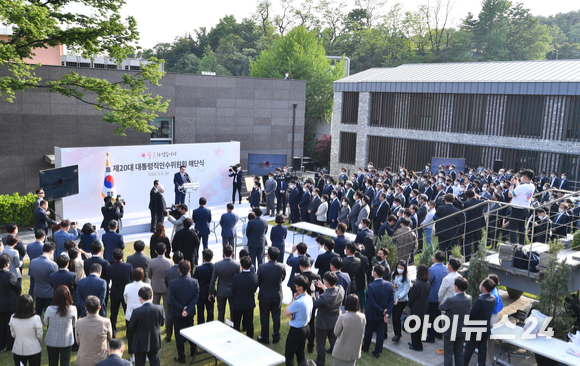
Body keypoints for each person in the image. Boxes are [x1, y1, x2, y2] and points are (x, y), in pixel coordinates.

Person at [169, 261, 200, 364]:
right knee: (191, 332)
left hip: (177, 312)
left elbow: (172, 299)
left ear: (179, 270)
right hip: (189, 312)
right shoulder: (194, 282)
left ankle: (182, 357)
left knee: (179, 334)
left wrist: (182, 309)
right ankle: (193, 351)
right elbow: (195, 298)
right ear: (190, 269)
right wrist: (187, 309)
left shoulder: (173, 283)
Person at [312, 271, 345, 366]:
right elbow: (331, 293)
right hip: (334, 321)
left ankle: (320, 362)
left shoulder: (324, 297)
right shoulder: (340, 289)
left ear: (326, 282)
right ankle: (337, 357)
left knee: (320, 344)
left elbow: (314, 304)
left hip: (322, 324)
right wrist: (323, 286)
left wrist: (313, 292)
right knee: (333, 340)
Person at [362, 265, 394, 359]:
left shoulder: (371, 286)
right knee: (380, 332)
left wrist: (382, 311)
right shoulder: (389, 285)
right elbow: (391, 300)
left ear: (375, 273)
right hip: (382, 314)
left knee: (368, 331)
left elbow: (372, 302)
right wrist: (387, 312)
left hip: (372, 313)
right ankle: (377, 351)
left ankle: (366, 347)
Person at [438, 277, 472, 366]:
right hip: (461, 330)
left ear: (456, 287)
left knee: (448, 354)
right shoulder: (469, 298)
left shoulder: (451, 300)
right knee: (459, 353)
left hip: (449, 330)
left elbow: (441, 307)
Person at [463, 279, 497, 366]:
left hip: (476, 330)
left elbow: (472, 315)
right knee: (482, 350)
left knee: (468, 350)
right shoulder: (493, 298)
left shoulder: (480, 301)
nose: (480, 284)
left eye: (481, 284)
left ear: (484, 288)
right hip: (485, 329)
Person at [129, 287, 165, 366]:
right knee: (155, 363)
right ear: (152, 296)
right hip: (155, 341)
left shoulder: (136, 312)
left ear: (140, 298)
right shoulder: (160, 308)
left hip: (140, 343)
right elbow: (162, 323)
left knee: (139, 363)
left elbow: (131, 327)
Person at [257, 247, 286, 345]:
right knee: (276, 316)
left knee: (264, 317)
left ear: (268, 255)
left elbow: (258, 281)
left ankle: (265, 336)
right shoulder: (282, 266)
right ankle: (276, 335)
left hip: (265, 296)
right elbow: (282, 278)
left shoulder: (262, 267)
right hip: (277, 295)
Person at [284, 275, 314, 366]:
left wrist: (293, 299)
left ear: (300, 288)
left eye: (296, 286)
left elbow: (285, 312)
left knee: (289, 355)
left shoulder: (298, 302)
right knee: (300, 352)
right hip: (306, 328)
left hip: (296, 331)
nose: (295, 287)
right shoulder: (309, 297)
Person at [44, 286, 77, 366]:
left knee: (52, 362)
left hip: (52, 339)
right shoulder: (73, 309)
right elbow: (74, 324)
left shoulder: (49, 309)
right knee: (65, 363)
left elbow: (46, 322)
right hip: (66, 340)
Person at [75, 295, 112, 366]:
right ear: (100, 308)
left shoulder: (79, 323)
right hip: (101, 359)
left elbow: (78, 341)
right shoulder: (106, 322)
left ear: (86, 308)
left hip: (84, 358)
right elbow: (110, 338)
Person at [123, 268, 151, 360]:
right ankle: (145, 354)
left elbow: (126, 300)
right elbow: (150, 300)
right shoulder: (147, 286)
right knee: (145, 334)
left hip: (131, 314)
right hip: (145, 314)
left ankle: (132, 354)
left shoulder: (128, 286)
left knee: (131, 335)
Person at [209, 245, 240, 322]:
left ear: (223, 253)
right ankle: (234, 327)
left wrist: (211, 292)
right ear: (232, 253)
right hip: (233, 292)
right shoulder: (237, 265)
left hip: (221, 291)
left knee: (221, 312)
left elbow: (213, 280)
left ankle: (221, 326)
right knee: (233, 312)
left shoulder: (217, 264)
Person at [332, 295, 366, 366]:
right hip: (353, 353)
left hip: (341, 351)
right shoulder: (362, 317)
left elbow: (336, 332)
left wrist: (340, 316)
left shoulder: (342, 317)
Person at [9, 295, 43, 366]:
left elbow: (13, 334)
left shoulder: (13, 318)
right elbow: (40, 334)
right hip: (34, 349)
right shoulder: (36, 318)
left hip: (18, 349)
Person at [106, 249, 132, 338]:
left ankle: (113, 333)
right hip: (126, 293)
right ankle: (129, 333)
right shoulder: (128, 266)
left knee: (113, 314)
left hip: (115, 293)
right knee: (127, 313)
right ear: (123, 257)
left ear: (113, 258)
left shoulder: (109, 268)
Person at [231, 256, 259, 338]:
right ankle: (250, 339)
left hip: (238, 304)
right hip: (249, 304)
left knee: (236, 324)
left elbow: (233, 291)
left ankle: (235, 338)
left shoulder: (236, 277)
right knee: (249, 324)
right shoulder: (255, 277)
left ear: (241, 266)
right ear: (251, 266)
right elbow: (254, 289)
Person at [426, 251, 449, 343]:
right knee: (439, 315)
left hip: (432, 296)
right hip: (442, 297)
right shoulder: (446, 269)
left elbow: (428, 281)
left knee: (431, 317)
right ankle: (439, 334)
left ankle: (431, 336)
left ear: (434, 258)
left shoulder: (432, 269)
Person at [148, 243, 173, 328]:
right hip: (166, 288)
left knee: (155, 307)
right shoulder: (170, 262)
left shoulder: (151, 262)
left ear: (155, 251)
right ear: (165, 250)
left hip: (155, 287)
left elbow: (149, 275)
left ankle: (155, 324)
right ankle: (167, 326)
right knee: (167, 308)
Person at [29, 243, 58, 315]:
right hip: (50, 293)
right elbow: (55, 280)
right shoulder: (53, 264)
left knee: (37, 312)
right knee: (51, 314)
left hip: (38, 291)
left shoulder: (33, 262)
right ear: (52, 251)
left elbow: (32, 277)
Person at [508, 170, 535, 245]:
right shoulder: (532, 186)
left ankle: (513, 245)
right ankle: (521, 245)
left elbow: (510, 194)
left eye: (522, 176)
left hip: (517, 209)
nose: (521, 178)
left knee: (512, 228)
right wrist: (517, 182)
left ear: (525, 177)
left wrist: (511, 184)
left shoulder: (522, 187)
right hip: (525, 209)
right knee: (521, 228)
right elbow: (518, 191)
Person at [164, 251, 186, 343]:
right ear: (183, 260)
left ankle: (168, 336)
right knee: (183, 317)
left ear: (173, 260)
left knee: (169, 316)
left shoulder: (167, 270)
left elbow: (166, 283)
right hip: (182, 297)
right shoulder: (185, 270)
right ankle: (184, 336)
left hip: (170, 296)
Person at [408, 264, 430, 351]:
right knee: (419, 328)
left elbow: (412, 297)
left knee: (414, 329)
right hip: (424, 308)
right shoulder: (427, 283)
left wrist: (410, 305)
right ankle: (415, 343)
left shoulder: (417, 284)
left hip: (416, 309)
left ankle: (417, 346)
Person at [0, 254, 19, 352]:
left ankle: (1, 346)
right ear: (7, 264)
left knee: (1, 325)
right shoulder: (10, 275)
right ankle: (10, 346)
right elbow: (17, 288)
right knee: (9, 325)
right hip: (10, 304)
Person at [390, 260, 410, 343]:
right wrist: (393, 286)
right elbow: (390, 283)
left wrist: (398, 298)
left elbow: (406, 290)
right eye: (398, 267)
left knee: (396, 317)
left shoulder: (406, 278)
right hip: (394, 298)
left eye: (401, 268)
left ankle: (398, 335)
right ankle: (396, 333)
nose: (399, 269)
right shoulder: (393, 275)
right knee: (393, 317)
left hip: (401, 300)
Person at [486, 274, 504, 366]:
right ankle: (490, 361)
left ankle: (488, 363)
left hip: (490, 319)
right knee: (490, 341)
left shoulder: (491, 295)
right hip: (494, 317)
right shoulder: (494, 291)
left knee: (487, 342)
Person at [192, 197, 211, 264]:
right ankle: (205, 260)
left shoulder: (195, 211)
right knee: (205, 246)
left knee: (196, 245)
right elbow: (209, 220)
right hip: (205, 229)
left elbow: (194, 220)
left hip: (197, 229)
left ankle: (196, 260)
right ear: (205, 203)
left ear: (199, 203)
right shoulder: (208, 211)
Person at [26, 230, 46, 296]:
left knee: (32, 285)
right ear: (43, 237)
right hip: (42, 268)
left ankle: (30, 298)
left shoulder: (29, 246)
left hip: (32, 267)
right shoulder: (45, 247)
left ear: (35, 236)